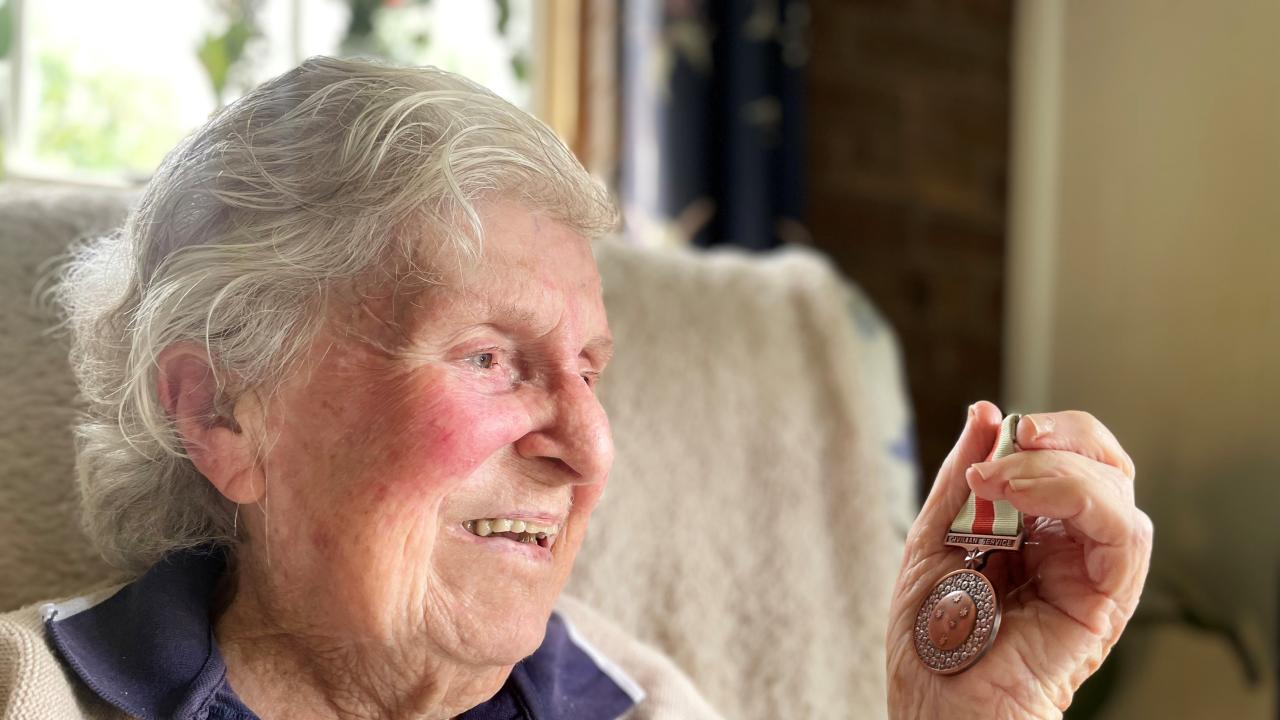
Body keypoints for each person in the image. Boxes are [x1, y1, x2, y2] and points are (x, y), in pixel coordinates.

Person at [0, 57, 1151, 719]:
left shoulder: (638, 707)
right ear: (220, 410)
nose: (587, 448)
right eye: (491, 357)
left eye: (590, 371)